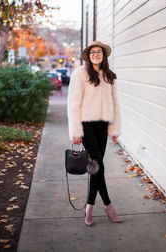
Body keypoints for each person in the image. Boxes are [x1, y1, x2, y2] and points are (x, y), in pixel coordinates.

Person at [67, 41, 122, 226]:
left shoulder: (109, 76)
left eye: (99, 52)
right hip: (87, 127)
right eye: (93, 52)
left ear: (104, 56)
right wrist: (76, 131)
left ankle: (88, 208)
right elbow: (73, 104)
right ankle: (109, 206)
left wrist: (114, 128)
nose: (96, 54)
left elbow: (115, 103)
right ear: (88, 56)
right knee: (99, 167)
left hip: (103, 126)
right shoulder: (80, 74)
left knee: (95, 169)